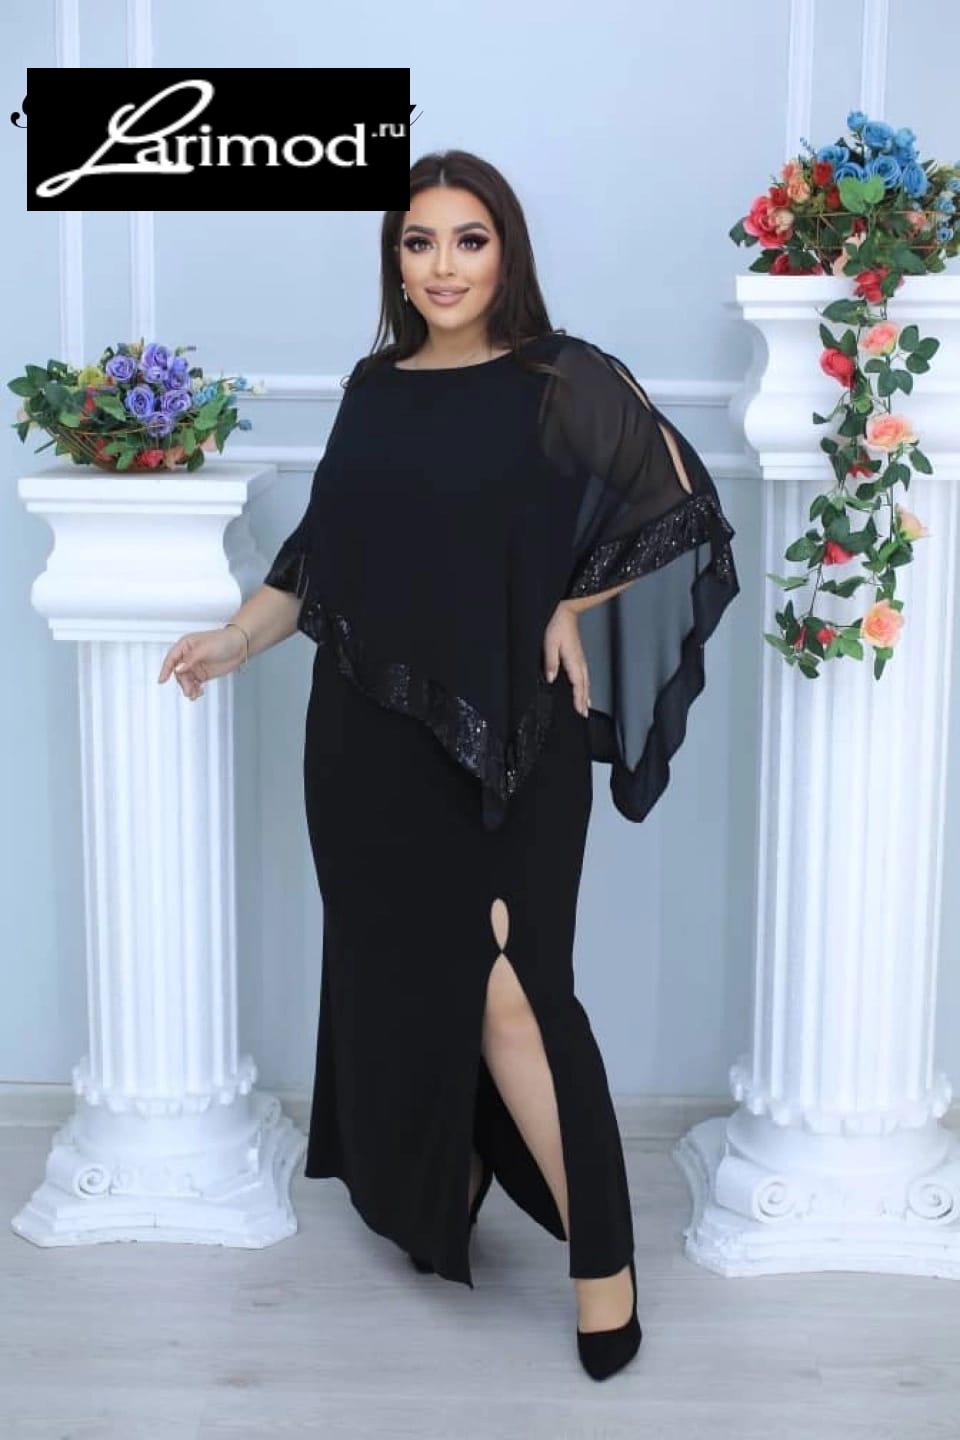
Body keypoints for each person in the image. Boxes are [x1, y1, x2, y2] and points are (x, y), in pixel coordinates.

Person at [158, 149, 740, 1381]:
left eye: (467, 240)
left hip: (517, 737)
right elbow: (316, 561)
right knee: (416, 985)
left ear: (505, 251)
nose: (442, 265)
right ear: (395, 259)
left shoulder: (560, 379)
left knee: (517, 992)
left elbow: (679, 504)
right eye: (418, 242)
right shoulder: (374, 389)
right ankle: (445, 1186)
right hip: (365, 745)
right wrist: (235, 640)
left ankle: (605, 1267)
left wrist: (572, 603)